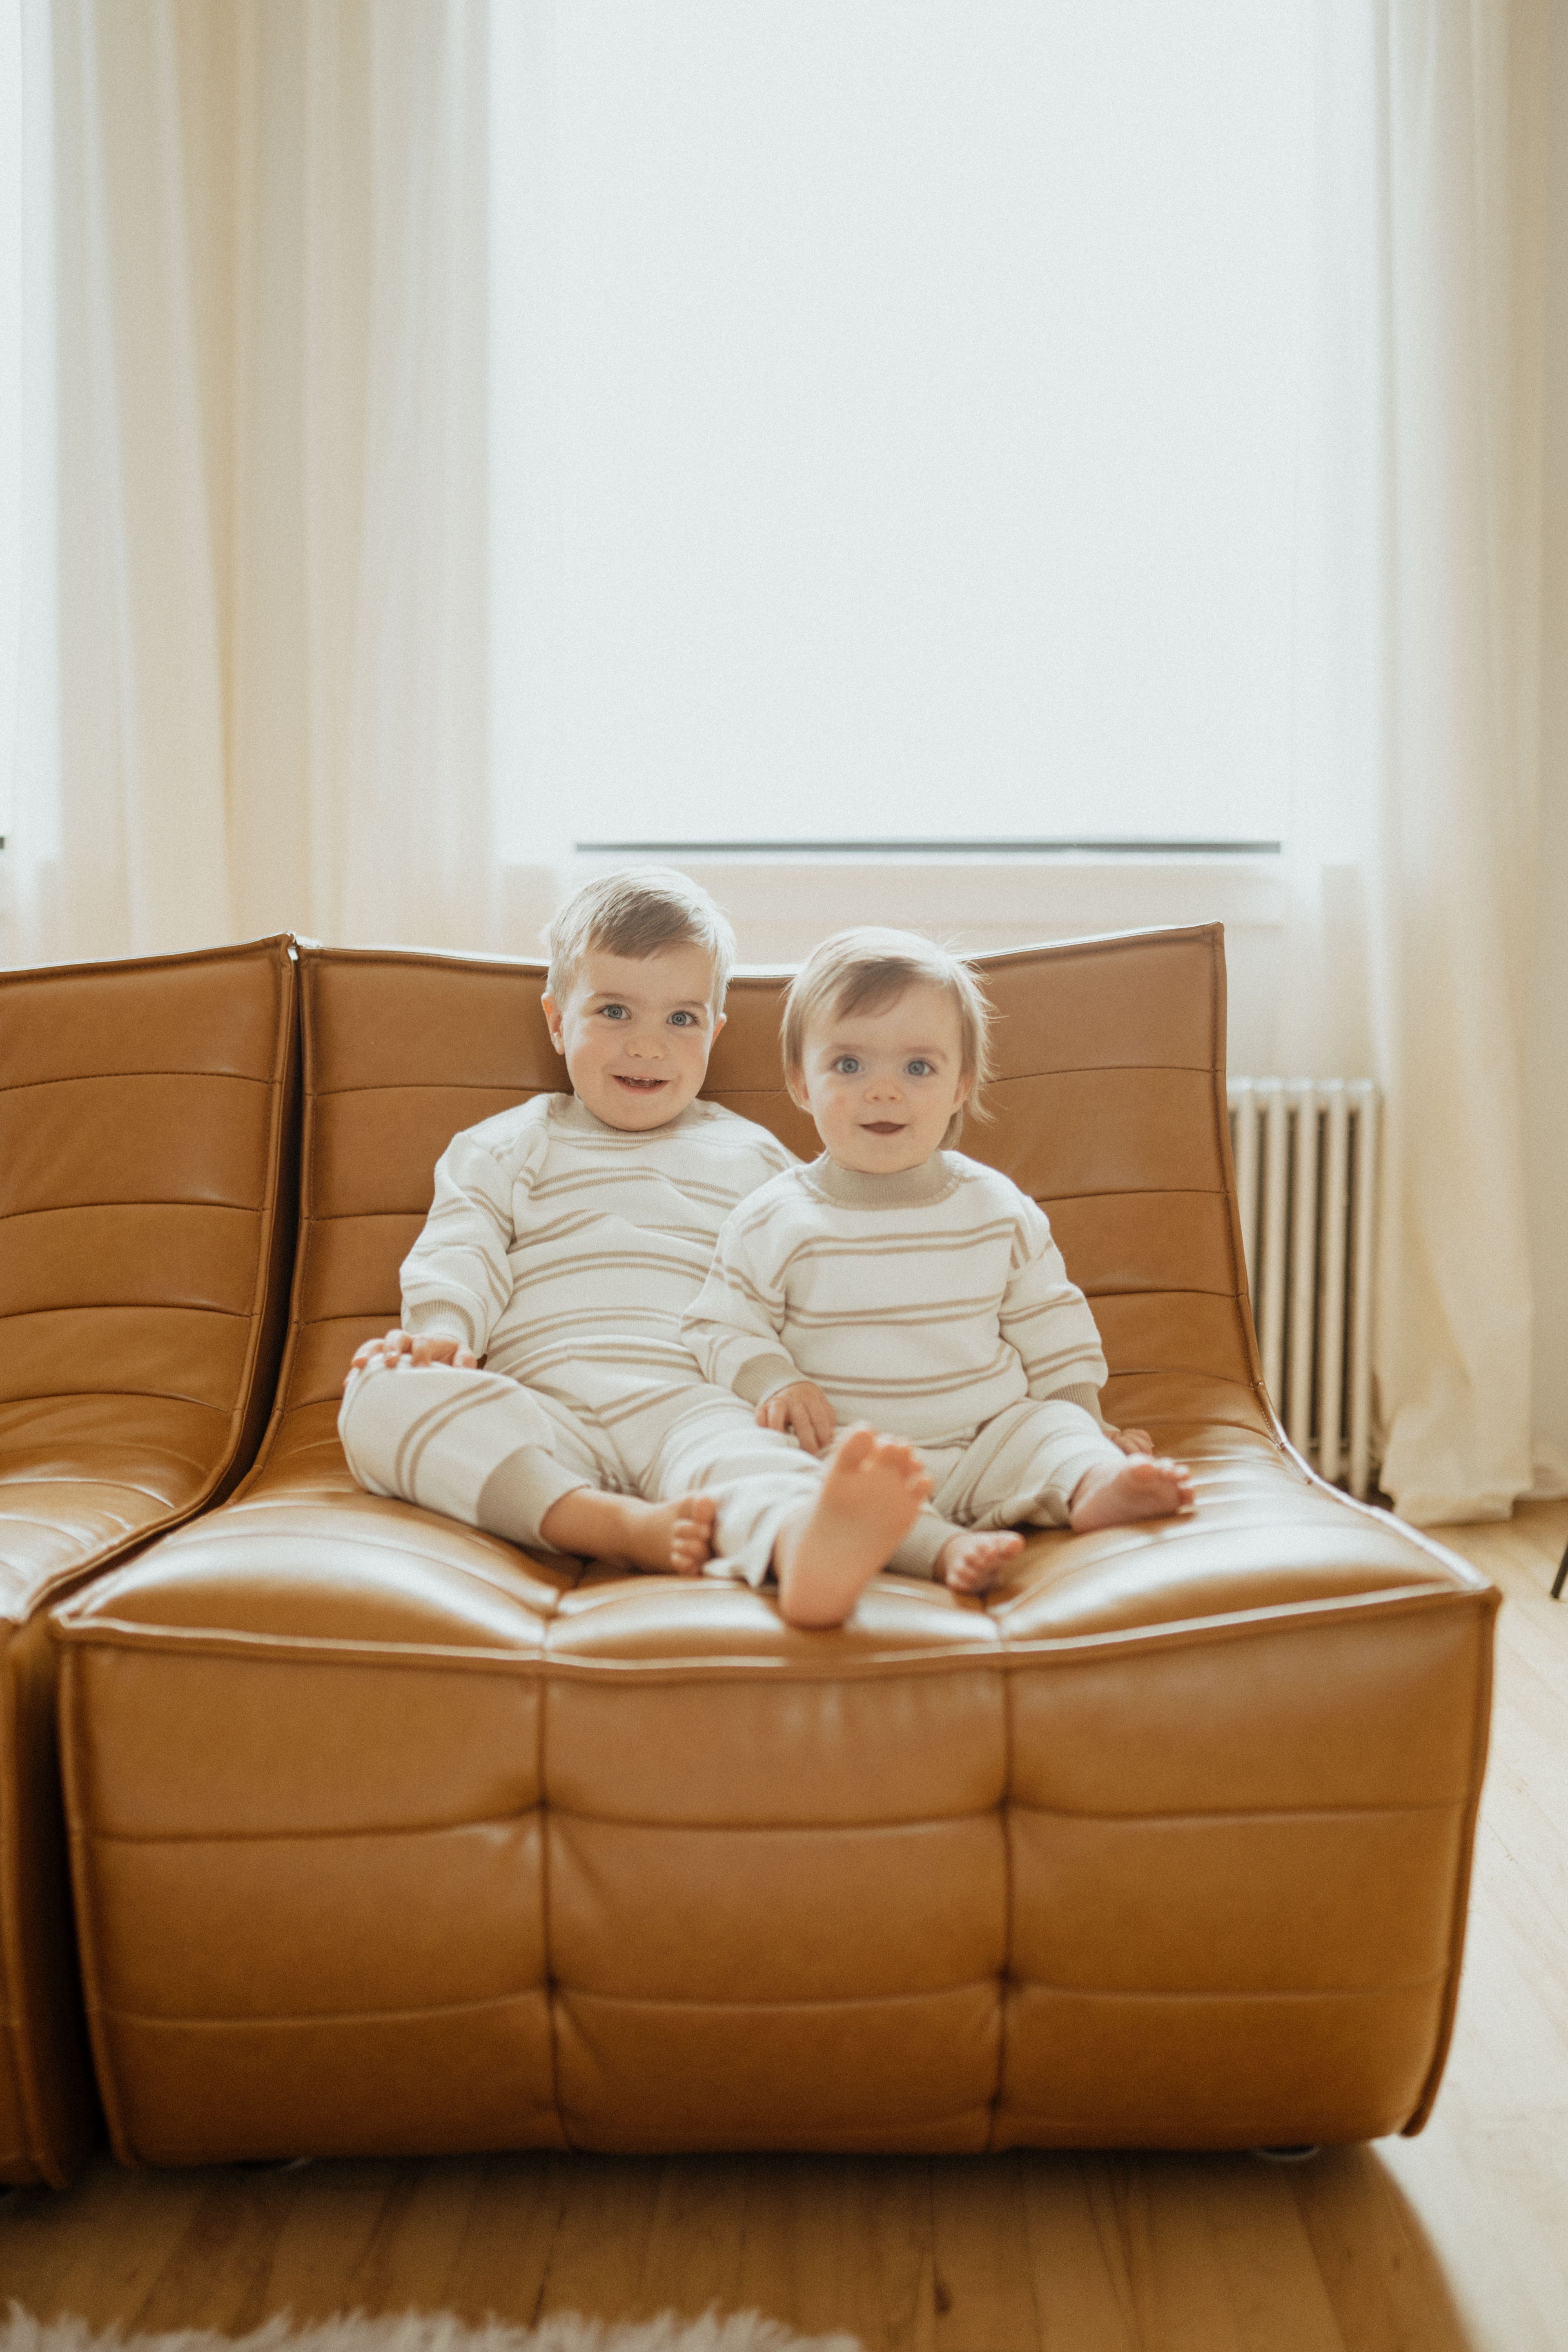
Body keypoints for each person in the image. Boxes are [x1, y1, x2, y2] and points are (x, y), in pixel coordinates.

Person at [339, 870, 935, 1612]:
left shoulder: (755, 1158)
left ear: (715, 1032)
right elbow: (463, 1245)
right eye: (615, 1011)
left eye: (681, 1020)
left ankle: (803, 1549)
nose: (648, 1046)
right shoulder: (511, 1142)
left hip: (696, 1401)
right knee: (377, 1397)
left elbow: (819, 1276)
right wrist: (440, 1336)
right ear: (558, 1021)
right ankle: (606, 1523)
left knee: (759, 1466)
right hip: (539, 1401)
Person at [681, 926, 1196, 1626]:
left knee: (1051, 1430)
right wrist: (776, 1380)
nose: (884, 1092)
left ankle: (1096, 1486)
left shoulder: (996, 1207)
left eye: (918, 1069)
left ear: (961, 1085)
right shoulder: (773, 1219)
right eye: (850, 1065)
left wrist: (1087, 1420)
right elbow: (721, 1322)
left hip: (991, 1438)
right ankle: (943, 1549)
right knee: (803, 1478)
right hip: (859, 1456)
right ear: (802, 1083)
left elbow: (1052, 1321)